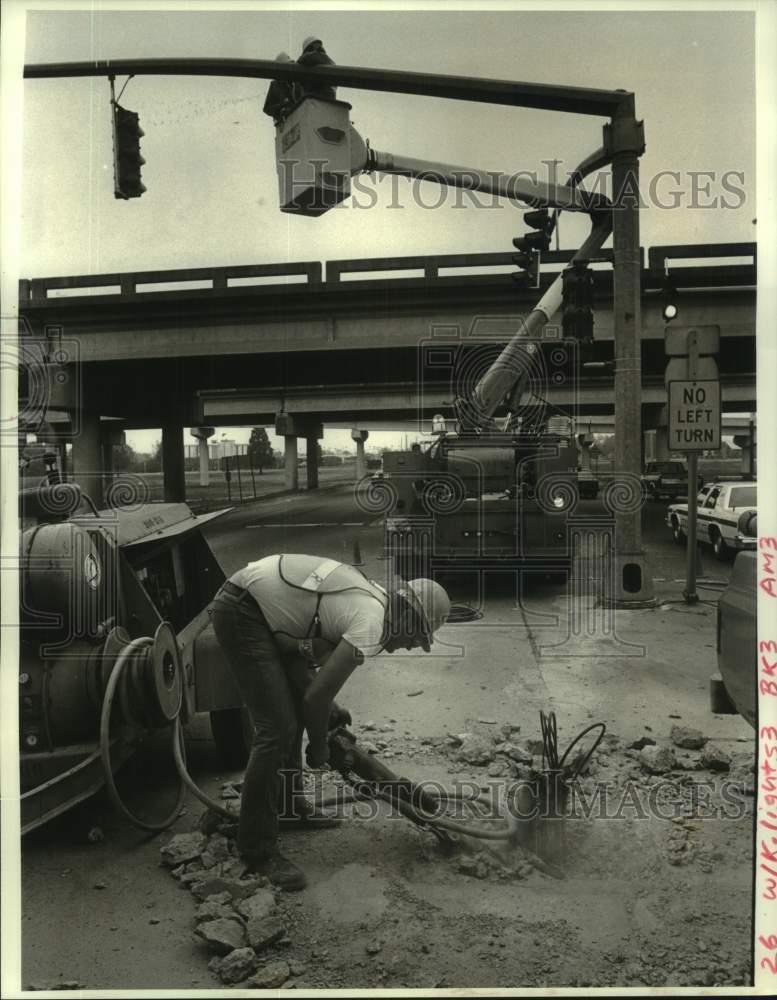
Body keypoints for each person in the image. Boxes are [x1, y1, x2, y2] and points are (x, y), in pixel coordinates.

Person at [209, 554, 450, 890]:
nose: (410, 646)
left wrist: (327, 711)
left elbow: (304, 658)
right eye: (417, 637)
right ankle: (257, 850)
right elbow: (315, 698)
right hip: (244, 611)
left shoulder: (373, 602)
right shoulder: (370, 621)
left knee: (290, 716)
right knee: (277, 731)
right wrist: (320, 747)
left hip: (266, 614)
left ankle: (289, 808)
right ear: (408, 615)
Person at [262, 51, 298, 126]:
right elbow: (267, 108)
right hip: (285, 125)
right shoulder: (275, 85)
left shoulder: (295, 83)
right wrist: (282, 108)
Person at [297, 36, 337, 101]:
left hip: (322, 100)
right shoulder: (307, 63)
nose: (320, 48)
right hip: (313, 101)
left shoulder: (324, 60)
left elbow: (306, 58)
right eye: (317, 46)